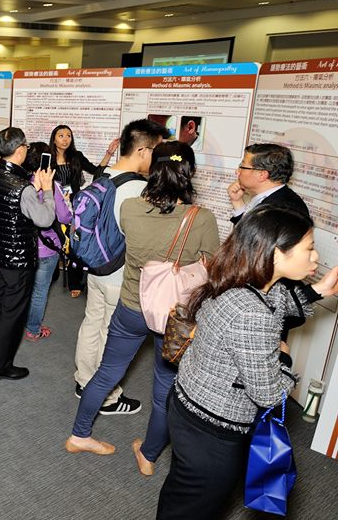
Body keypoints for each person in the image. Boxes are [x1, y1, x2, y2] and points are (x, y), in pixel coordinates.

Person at [157, 206, 338, 519]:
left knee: (181, 494)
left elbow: (278, 302)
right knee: (196, 506)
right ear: (276, 253)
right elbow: (268, 394)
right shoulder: (252, 314)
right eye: (309, 248)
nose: (316, 257)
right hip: (212, 431)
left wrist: (318, 291)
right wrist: (284, 357)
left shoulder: (240, 279)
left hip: (188, 404)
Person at [66, 141, 219, 473]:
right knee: (164, 388)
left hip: (132, 306)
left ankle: (79, 436)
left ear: (153, 168)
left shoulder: (131, 208)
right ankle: (148, 456)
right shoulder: (202, 218)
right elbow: (212, 267)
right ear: (190, 173)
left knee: (107, 373)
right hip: (175, 316)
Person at [72, 118, 169, 412]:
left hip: (96, 267)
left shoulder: (102, 178)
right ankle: (107, 397)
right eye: (156, 152)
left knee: (92, 324)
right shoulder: (140, 190)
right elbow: (147, 242)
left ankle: (84, 381)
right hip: (121, 276)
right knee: (110, 335)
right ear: (142, 151)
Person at [0, 127, 56, 380]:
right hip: (17, 259)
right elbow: (45, 219)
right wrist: (47, 190)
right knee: (12, 312)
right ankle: (0, 366)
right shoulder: (23, 188)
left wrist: (34, 188)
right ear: (20, 150)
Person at [49, 125, 119, 298]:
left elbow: (97, 172)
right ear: (54, 139)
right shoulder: (48, 158)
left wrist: (109, 153)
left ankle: (75, 282)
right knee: (54, 240)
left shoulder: (76, 156)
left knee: (75, 242)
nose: (65, 139)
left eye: (68, 135)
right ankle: (50, 274)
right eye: (61, 135)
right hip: (54, 204)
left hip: (74, 204)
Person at [22, 142, 73, 341]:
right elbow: (64, 217)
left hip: (26, 245)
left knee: (24, 287)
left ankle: (21, 322)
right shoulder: (52, 187)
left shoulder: (21, 182)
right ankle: (33, 329)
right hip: (47, 248)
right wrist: (66, 202)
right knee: (40, 290)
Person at [228, 143, 309, 224]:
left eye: (242, 167)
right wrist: (237, 202)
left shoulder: (278, 213)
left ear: (262, 175)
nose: (237, 171)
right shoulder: (278, 198)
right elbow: (248, 229)